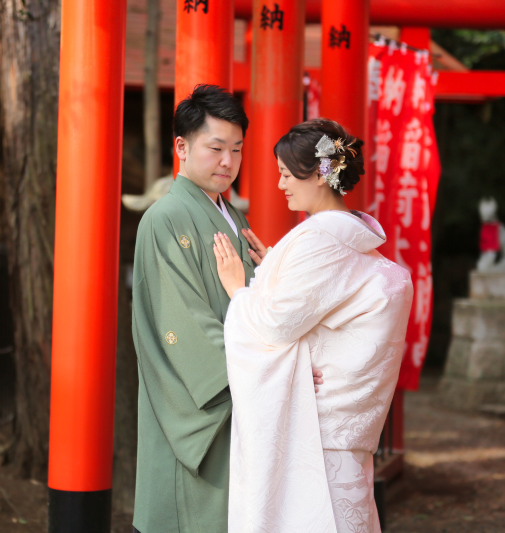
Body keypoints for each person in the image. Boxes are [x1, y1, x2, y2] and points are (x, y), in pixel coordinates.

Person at [131, 85, 323, 533]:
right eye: (216, 148)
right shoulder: (164, 219)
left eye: (236, 150)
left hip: (244, 394)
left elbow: (255, 309)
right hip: (205, 404)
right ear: (181, 146)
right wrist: (276, 371)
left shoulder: (233, 217)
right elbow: (188, 328)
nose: (227, 162)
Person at [212, 118, 414, 533]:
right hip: (340, 430)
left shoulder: (319, 238)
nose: (281, 185)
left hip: (316, 428)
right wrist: (275, 269)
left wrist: (240, 289)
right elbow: (324, 299)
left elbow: (273, 325)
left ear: (321, 175)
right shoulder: (355, 233)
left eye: (287, 174)